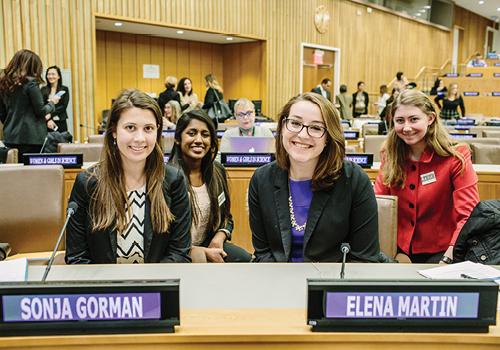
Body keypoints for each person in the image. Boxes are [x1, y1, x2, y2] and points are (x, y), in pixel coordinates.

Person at [249, 92, 380, 262]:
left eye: (316, 128)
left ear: (328, 138)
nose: (303, 135)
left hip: (333, 283)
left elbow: (365, 258)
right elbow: (263, 252)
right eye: (295, 123)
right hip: (278, 280)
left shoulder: (354, 180)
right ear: (282, 127)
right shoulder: (261, 180)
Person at [65, 89, 192, 264]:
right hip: (104, 288)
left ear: (157, 132)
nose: (140, 138)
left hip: (157, 286)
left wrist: (150, 288)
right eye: (130, 128)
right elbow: (77, 257)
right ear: (114, 131)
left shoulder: (174, 180)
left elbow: (179, 253)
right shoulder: (87, 182)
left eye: (148, 128)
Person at [374, 89, 479, 264]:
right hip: (396, 251)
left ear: (430, 118)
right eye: (400, 121)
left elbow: (468, 215)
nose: (406, 127)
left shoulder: (456, 155)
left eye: (414, 119)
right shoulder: (389, 154)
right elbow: (378, 205)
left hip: (444, 252)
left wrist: (450, 254)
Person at [169, 110, 252, 263]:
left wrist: (220, 236)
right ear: (178, 139)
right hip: (175, 252)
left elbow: (227, 217)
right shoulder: (167, 177)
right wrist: (201, 252)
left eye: (205, 135)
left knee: (245, 259)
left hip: (208, 243)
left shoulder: (217, 172)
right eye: (191, 133)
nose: (199, 140)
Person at [0, 49, 60, 159]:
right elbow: (41, 111)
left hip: (11, 137)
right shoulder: (31, 82)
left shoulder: (4, 82)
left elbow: (2, 113)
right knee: (31, 173)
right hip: (32, 138)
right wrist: (52, 103)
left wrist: (13, 123)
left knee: (14, 172)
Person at [41, 65, 70, 132]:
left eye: (53, 74)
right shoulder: (43, 89)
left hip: (60, 120)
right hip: (47, 122)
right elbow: (42, 106)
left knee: (62, 140)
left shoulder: (64, 89)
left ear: (58, 76)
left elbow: (63, 106)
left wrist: (50, 115)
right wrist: (48, 119)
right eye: (48, 74)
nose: (51, 76)